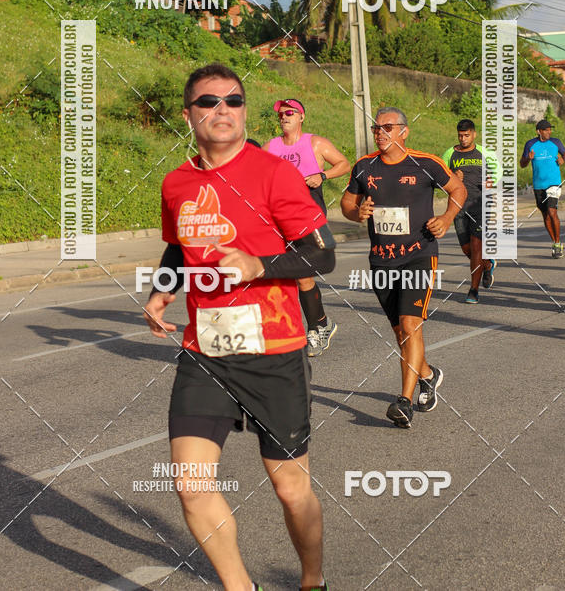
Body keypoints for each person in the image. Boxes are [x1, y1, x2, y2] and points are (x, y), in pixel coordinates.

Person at [143, 64, 335, 591]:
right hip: (205, 351)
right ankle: (239, 587)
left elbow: (324, 257)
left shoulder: (274, 173)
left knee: (291, 488)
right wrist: (164, 287)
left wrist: (260, 266)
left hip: (274, 350)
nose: (221, 109)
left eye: (233, 100)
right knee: (190, 482)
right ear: (189, 115)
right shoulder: (177, 182)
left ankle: (312, 580)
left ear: (245, 111)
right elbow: (179, 245)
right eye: (208, 102)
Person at [341, 107, 466, 429]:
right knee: (400, 332)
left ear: (404, 132)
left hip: (419, 255)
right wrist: (358, 213)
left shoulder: (425, 164)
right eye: (376, 128)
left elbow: (458, 189)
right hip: (381, 259)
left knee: (410, 325)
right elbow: (346, 204)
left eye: (387, 127)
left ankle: (404, 402)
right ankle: (427, 374)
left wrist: (446, 219)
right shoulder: (364, 167)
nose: (380, 132)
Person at [264, 98, 350, 357]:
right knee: (281, 276)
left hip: (310, 219)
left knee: (302, 275)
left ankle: (318, 327)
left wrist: (322, 176)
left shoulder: (316, 143)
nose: (284, 117)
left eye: (289, 113)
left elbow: (344, 164)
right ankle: (311, 325)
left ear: (302, 117)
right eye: (280, 114)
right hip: (279, 219)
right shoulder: (271, 147)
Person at [442, 119, 498, 304]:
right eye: (460, 135)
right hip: (458, 207)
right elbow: (440, 181)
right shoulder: (450, 154)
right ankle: (488, 264)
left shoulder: (485, 153)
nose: (463, 138)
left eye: (467, 135)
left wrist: (491, 183)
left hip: (480, 206)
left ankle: (473, 290)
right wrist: (452, 177)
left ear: (474, 134)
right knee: (467, 250)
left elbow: (498, 174)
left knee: (476, 247)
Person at [520, 119, 565, 257]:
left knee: (552, 212)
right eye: (546, 130)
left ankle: (558, 243)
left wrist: (563, 159)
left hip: (554, 183)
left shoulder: (555, 142)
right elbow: (522, 164)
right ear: (538, 131)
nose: (549, 132)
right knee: (546, 215)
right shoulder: (530, 144)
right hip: (538, 185)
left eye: (549, 129)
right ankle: (554, 242)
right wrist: (528, 158)